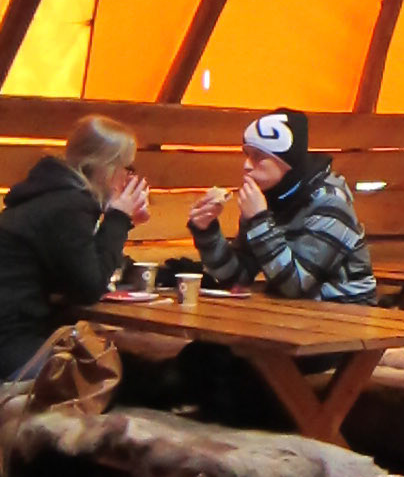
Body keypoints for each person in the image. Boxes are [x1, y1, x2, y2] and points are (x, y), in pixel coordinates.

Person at [0, 116, 149, 380]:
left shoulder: (49, 195)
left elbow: (76, 271)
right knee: (118, 372)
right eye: (128, 168)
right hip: (13, 348)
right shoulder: (69, 206)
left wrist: (120, 222)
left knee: (129, 360)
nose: (128, 177)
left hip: (16, 336)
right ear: (109, 168)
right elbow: (89, 288)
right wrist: (118, 219)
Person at [186, 108, 375, 301]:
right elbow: (237, 278)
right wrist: (207, 232)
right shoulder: (267, 198)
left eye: (258, 156)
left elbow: (297, 285)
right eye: (247, 154)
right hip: (294, 316)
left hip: (346, 316)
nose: (247, 165)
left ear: (287, 162)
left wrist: (260, 221)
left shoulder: (330, 202)